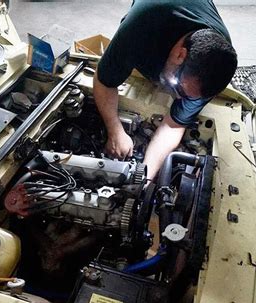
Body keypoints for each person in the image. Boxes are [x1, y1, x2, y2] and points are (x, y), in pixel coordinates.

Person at [93, 0, 237, 180]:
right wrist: (115, 130)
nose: (177, 97)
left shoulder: (217, 63)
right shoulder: (139, 28)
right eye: (181, 90)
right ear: (180, 55)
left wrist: (144, 178)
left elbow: (174, 123)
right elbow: (104, 81)